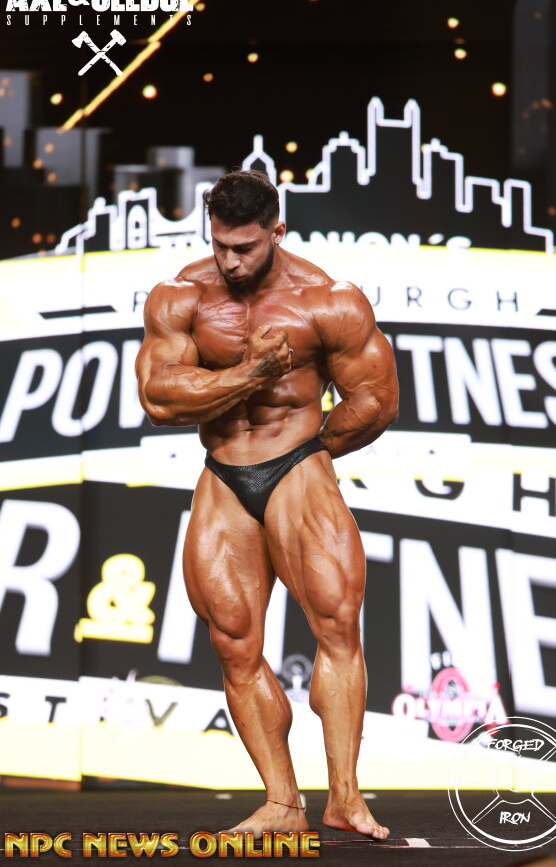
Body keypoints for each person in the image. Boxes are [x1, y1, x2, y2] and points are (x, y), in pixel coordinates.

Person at [136, 169, 399, 839]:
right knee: (233, 643)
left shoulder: (328, 301)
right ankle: (283, 802)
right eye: (219, 245)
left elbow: (375, 400)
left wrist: (312, 452)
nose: (230, 261)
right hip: (224, 472)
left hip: (297, 465)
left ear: (277, 231)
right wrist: (252, 373)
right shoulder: (181, 296)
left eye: (244, 247)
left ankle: (345, 797)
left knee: (336, 625)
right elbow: (159, 398)